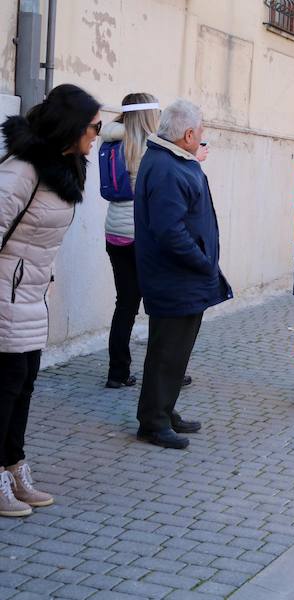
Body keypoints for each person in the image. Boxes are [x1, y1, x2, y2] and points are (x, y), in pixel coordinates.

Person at [0, 84, 101, 516]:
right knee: (5, 388)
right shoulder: (22, 170)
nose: (98, 135)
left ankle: (14, 465)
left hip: (31, 295)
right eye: (94, 127)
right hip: (4, 295)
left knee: (23, 386)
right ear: (72, 126)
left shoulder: (64, 167)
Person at [133, 99, 232, 450]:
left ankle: (163, 410)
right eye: (201, 131)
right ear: (188, 134)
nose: (203, 137)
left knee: (175, 352)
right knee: (167, 352)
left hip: (183, 278)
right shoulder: (166, 167)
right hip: (175, 278)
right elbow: (169, 231)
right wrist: (203, 261)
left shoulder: (172, 160)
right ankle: (153, 422)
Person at [100, 94, 202, 390]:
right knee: (162, 306)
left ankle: (117, 372)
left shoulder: (108, 141)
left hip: (113, 233)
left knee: (125, 304)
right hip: (141, 237)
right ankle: (168, 371)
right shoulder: (150, 148)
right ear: (149, 116)